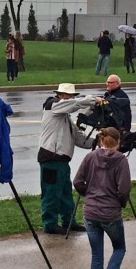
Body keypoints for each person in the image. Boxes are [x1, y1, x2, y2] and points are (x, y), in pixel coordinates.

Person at [73, 127, 131, 269]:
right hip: (110, 212)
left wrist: (88, 194)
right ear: (118, 142)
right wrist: (120, 202)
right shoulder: (121, 160)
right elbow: (124, 189)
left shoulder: (90, 157)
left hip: (91, 211)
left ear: (100, 141)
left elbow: (77, 181)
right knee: (119, 247)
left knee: (96, 255)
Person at [38, 83, 102, 235]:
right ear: (59, 95)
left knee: (66, 193)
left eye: (70, 95)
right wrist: (93, 100)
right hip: (51, 158)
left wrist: (97, 142)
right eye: (66, 95)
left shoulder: (65, 117)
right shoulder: (52, 106)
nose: (68, 98)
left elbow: (78, 138)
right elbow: (73, 104)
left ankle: (69, 222)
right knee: (51, 193)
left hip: (62, 160)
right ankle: (49, 224)